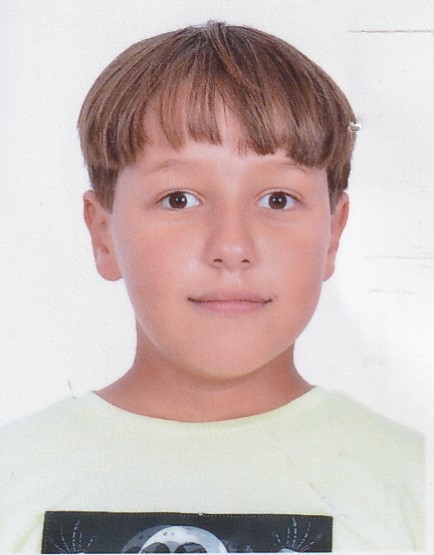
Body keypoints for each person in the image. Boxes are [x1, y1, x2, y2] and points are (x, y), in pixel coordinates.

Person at [0, 21, 423, 553]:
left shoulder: (411, 485)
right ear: (103, 233)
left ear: (333, 235)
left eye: (277, 199)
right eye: (179, 199)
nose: (231, 246)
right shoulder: (14, 477)